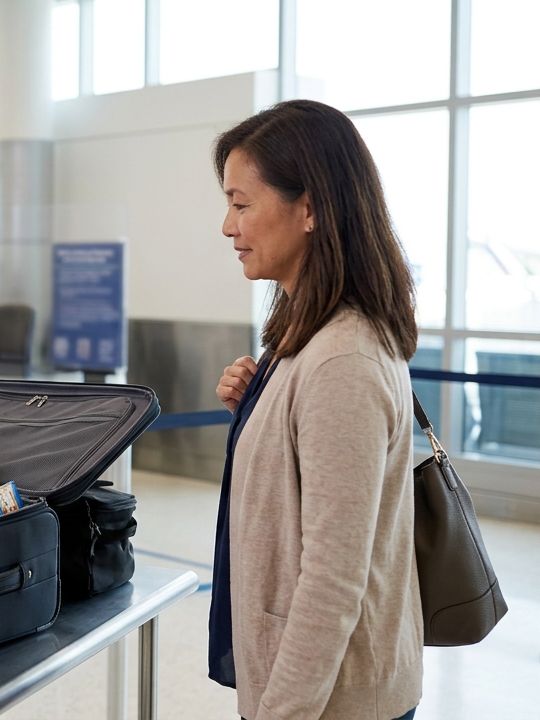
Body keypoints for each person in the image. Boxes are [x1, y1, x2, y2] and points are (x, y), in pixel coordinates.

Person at [209, 100, 421, 720]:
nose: (228, 226)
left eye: (242, 204)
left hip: (331, 700)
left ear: (309, 208)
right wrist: (257, 412)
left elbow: (332, 581)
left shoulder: (341, 360)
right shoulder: (304, 332)